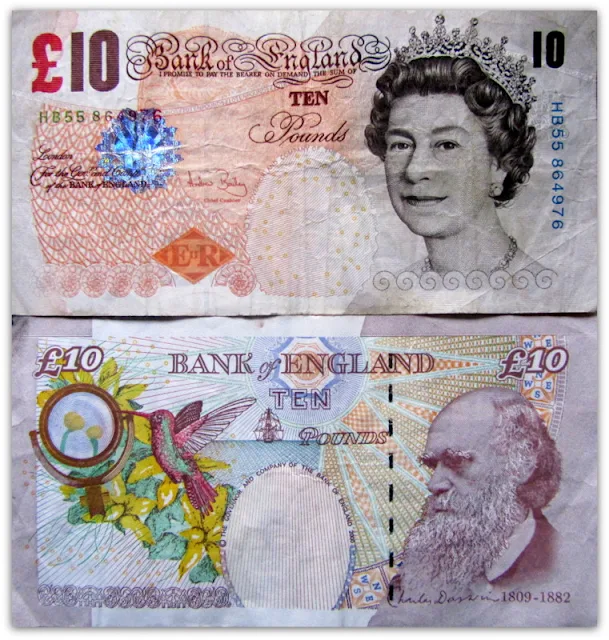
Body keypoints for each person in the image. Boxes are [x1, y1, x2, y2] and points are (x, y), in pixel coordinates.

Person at [365, 19, 541, 276]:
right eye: (401, 145)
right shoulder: (390, 291)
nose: (414, 171)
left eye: (447, 145)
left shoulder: (539, 287)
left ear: (500, 164)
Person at [386, 387, 562, 606]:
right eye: (433, 465)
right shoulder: (418, 573)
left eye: (457, 462)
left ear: (523, 461)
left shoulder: (565, 566)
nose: (433, 484)